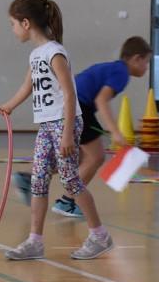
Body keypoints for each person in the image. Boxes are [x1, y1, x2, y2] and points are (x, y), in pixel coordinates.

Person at [0, 0, 113, 260]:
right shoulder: (36, 55)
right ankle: (35, 241)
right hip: (46, 124)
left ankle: (100, 236)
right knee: (38, 180)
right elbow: (29, 86)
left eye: (13, 23)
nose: (12, 29)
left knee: (71, 181)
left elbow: (69, 94)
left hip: (64, 123)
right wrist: (9, 105)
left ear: (26, 23)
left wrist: (67, 135)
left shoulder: (55, 52)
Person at [39, 36, 151, 218]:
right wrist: (115, 132)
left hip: (71, 104)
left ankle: (32, 177)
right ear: (136, 58)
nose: (146, 67)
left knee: (81, 157)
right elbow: (101, 100)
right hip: (78, 106)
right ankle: (66, 202)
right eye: (146, 62)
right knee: (96, 157)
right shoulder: (121, 73)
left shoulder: (113, 68)